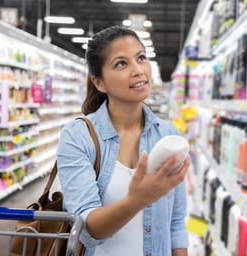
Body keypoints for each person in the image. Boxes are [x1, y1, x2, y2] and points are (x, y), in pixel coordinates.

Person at [56, 25, 190, 256]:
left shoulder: (168, 135)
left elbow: (176, 223)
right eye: (121, 63)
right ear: (99, 82)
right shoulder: (78, 137)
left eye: (141, 58)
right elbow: (86, 229)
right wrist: (138, 200)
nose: (138, 70)